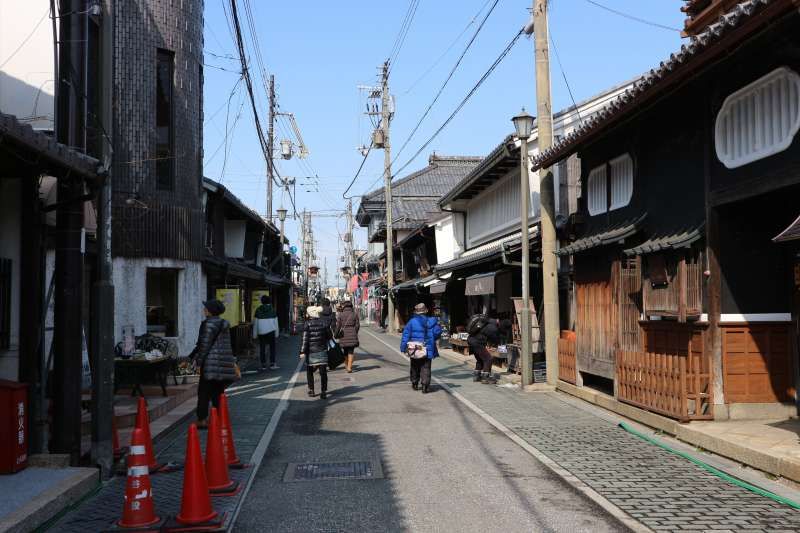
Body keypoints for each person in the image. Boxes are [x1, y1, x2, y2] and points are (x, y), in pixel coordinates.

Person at [189, 299, 238, 428]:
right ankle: (219, 418)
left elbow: (204, 345)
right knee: (218, 391)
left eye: (206, 308)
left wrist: (199, 363)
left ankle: (202, 419)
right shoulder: (224, 324)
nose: (204, 309)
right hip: (223, 363)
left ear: (211, 311)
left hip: (210, 364)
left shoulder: (208, 324)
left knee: (204, 392)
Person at [400, 303, 437, 393]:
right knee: (426, 367)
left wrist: (403, 347)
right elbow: (437, 332)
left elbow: (405, 335)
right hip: (427, 347)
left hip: (415, 348)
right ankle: (425, 386)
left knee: (415, 366)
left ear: (416, 312)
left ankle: (415, 383)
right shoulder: (431, 321)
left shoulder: (411, 322)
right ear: (425, 311)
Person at [300, 306, 331, 399]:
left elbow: (305, 340)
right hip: (322, 350)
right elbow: (329, 336)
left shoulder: (307, 324)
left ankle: (311, 390)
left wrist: (302, 351)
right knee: (323, 372)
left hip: (311, 352)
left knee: (309, 371)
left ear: (310, 314)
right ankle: (323, 391)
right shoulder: (323, 323)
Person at [468, 315, 502, 384]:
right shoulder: (492, 327)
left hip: (471, 341)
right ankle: (485, 377)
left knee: (480, 359)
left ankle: (476, 376)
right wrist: (496, 344)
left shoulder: (484, 323)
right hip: (478, 343)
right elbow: (494, 338)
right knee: (488, 359)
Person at [254, 295, 278, 370]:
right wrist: (276, 333)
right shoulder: (273, 310)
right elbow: (276, 323)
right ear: (269, 301)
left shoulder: (258, 310)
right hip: (271, 331)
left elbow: (256, 323)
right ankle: (272, 363)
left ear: (261, 301)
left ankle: (263, 364)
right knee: (272, 348)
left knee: (262, 348)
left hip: (261, 331)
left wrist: (255, 334)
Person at [335, 300, 360, 373]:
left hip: (343, 335)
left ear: (344, 306)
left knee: (345, 352)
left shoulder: (341, 315)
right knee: (351, 351)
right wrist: (354, 331)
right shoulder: (354, 314)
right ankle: (349, 367)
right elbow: (357, 325)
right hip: (352, 333)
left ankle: (346, 365)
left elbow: (338, 326)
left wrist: (336, 334)